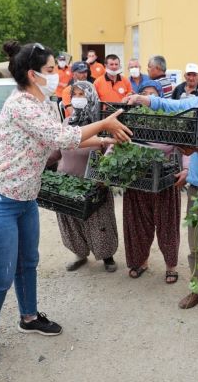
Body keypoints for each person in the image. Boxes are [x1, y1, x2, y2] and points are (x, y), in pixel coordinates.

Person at [0, 41, 131, 367]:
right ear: (33, 74)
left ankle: (28, 317)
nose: (58, 75)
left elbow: (64, 132)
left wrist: (103, 139)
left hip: (25, 200)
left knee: (28, 262)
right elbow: (61, 140)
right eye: (52, 70)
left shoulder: (44, 103)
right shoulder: (20, 105)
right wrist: (106, 123)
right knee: (0, 274)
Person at [126, 65, 198, 308]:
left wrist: (197, 149)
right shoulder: (197, 103)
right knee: (195, 244)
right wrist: (142, 98)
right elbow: (171, 106)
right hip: (197, 185)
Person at [49, 81, 119, 272]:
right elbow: (56, 151)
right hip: (66, 181)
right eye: (75, 94)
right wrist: (39, 164)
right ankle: (79, 253)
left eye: (82, 94)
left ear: (92, 96)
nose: (78, 98)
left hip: (94, 182)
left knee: (99, 221)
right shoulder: (67, 123)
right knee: (71, 220)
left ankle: (107, 256)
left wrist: (102, 175)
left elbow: (112, 150)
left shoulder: (102, 124)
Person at [123, 80, 186, 283]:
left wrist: (186, 168)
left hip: (165, 180)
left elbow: (185, 146)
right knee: (137, 224)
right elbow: (117, 142)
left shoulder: (171, 120)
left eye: (152, 95)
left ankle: (171, 266)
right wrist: (108, 158)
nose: (147, 99)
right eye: (144, 94)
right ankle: (141, 262)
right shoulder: (130, 120)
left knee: (167, 224)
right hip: (136, 180)